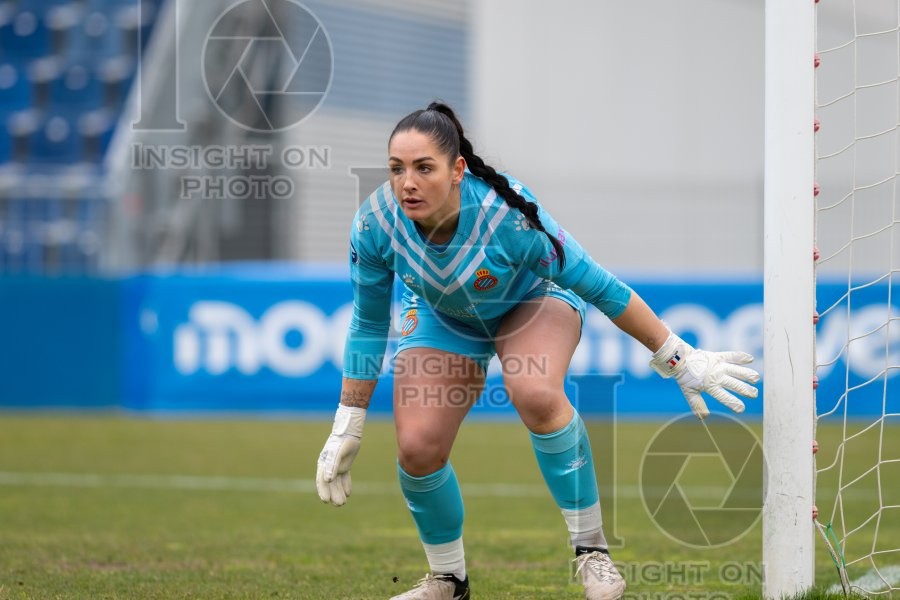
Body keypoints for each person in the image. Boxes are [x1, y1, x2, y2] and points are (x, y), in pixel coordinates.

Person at [315, 102, 760, 600]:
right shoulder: (375, 224)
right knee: (417, 446)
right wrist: (348, 422)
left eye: (424, 168)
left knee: (534, 391)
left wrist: (677, 357)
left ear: (457, 170)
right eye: (396, 169)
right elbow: (369, 322)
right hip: (444, 316)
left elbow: (601, 286)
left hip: (532, 300)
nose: (407, 183)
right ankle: (448, 581)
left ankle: (592, 552)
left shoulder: (508, 218)